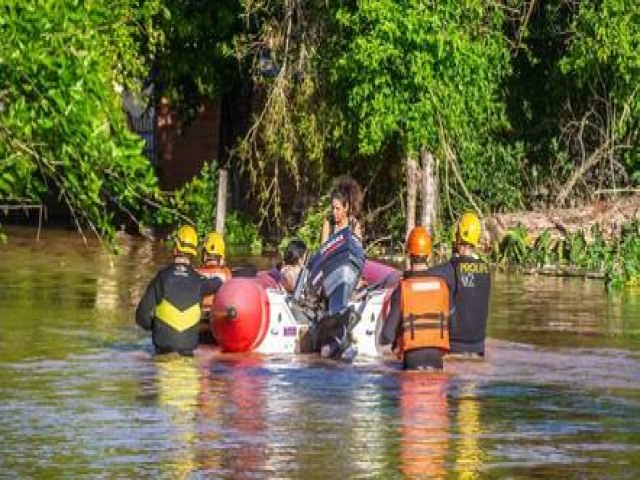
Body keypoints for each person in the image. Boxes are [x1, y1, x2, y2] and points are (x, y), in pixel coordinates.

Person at [136, 225, 222, 356]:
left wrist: (158, 327)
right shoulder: (200, 281)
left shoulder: (161, 278)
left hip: (162, 356)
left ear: (175, 249)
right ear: (194, 252)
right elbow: (218, 282)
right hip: (188, 361)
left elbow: (141, 318)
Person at [380, 226, 451, 369]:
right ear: (429, 255)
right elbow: (453, 326)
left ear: (408, 254)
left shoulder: (402, 289)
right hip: (437, 364)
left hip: (411, 363)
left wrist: (386, 339)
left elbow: (387, 336)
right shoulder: (443, 287)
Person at [425, 212, 491, 356]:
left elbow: (421, 274)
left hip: (454, 347)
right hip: (479, 347)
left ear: (459, 235)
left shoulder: (449, 269)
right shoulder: (487, 270)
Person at [320, 175, 363, 244]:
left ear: (346, 208)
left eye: (338, 209)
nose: (334, 212)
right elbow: (323, 248)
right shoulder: (329, 222)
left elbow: (358, 248)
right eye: (333, 208)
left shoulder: (353, 224)